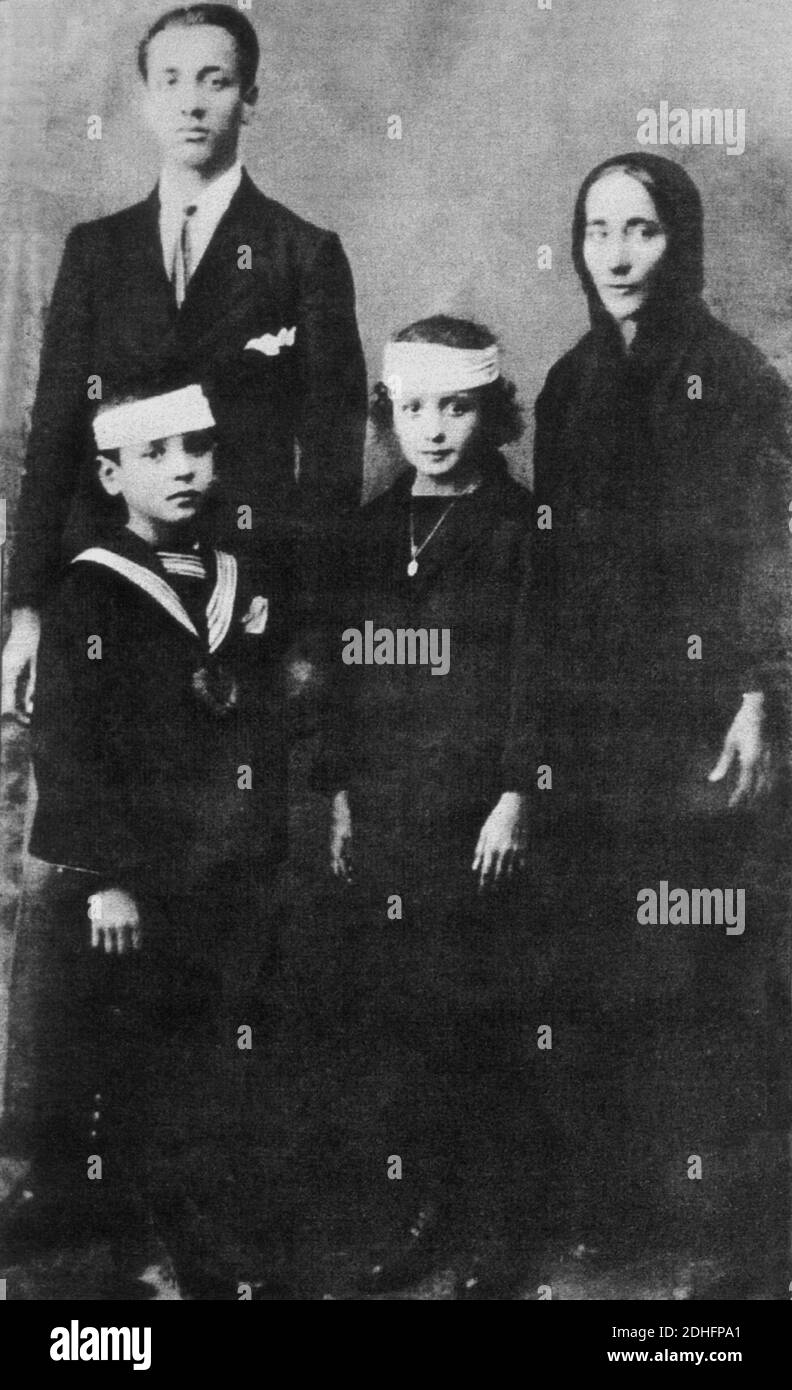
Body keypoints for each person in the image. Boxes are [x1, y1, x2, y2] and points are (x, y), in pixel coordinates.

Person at [532, 152, 792, 1288]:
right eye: (598, 231)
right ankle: (617, 1207)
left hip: (703, 715)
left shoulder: (740, 381)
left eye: (640, 230)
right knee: (599, 955)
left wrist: (755, 693)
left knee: (705, 954)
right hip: (595, 723)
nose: (618, 254)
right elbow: (546, 570)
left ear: (677, 242)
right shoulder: (566, 384)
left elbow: (767, 549)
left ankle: (723, 1224)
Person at [1, 384, 290, 1299]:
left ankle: (199, 1244)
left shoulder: (237, 580)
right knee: (114, 1064)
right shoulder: (91, 589)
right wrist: (107, 880)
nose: (183, 471)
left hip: (216, 873)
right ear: (111, 472)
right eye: (156, 453)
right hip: (130, 883)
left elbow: (256, 721)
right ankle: (119, 1252)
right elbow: (70, 746)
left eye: (197, 450)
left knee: (198, 1067)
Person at [2, 2, 366, 724]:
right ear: (145, 102)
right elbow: (54, 438)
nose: (192, 102)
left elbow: (330, 461)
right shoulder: (94, 251)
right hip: (105, 584)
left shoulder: (305, 253)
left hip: (241, 597)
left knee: (229, 826)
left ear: (250, 99)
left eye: (215, 81)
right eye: (170, 81)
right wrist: (28, 611)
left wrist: (309, 626)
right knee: (102, 826)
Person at [319, 316, 546, 1299]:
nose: (434, 428)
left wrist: (515, 795)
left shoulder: (521, 527)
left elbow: (542, 675)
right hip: (387, 814)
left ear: (491, 413)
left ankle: (499, 1238)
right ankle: (422, 1218)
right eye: (413, 407)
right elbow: (335, 677)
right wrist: (335, 792)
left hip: (480, 821)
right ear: (390, 412)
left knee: (483, 1023)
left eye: (457, 406)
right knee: (400, 1028)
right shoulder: (371, 530)